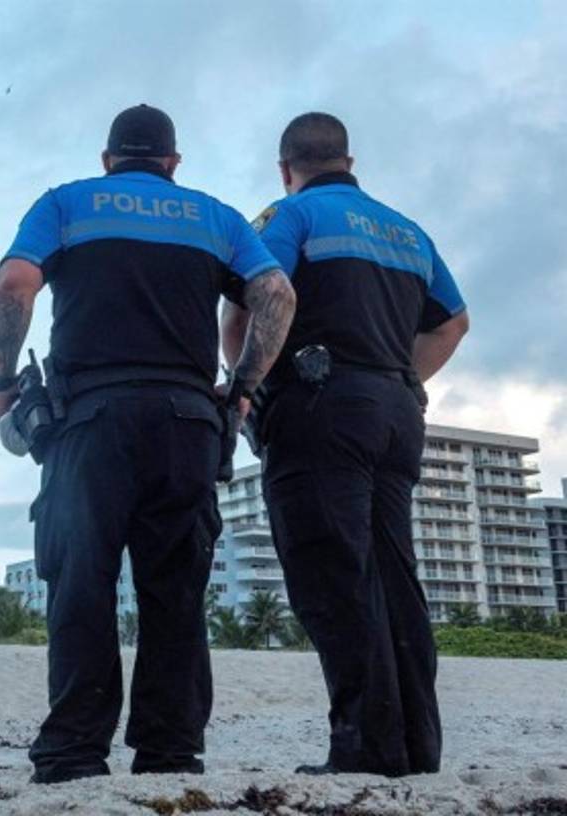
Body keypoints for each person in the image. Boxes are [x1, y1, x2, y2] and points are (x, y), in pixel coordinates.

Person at [0, 104, 295, 783]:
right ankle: (170, 753)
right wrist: (243, 388)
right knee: (175, 594)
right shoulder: (216, 217)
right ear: (172, 163)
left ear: (107, 160)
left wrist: (2, 381)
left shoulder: (66, 203)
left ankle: (74, 754)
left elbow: (14, 285)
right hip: (187, 423)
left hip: (89, 423)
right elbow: (276, 293)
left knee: (81, 585)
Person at [222, 112, 469, 777]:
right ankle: (417, 747)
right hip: (396, 412)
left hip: (319, 406)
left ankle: (366, 749)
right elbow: (454, 323)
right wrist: (396, 378)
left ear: (286, 168)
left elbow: (254, 303)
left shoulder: (290, 215)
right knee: (394, 577)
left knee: (333, 576)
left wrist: (246, 386)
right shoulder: (407, 230)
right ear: (349, 163)